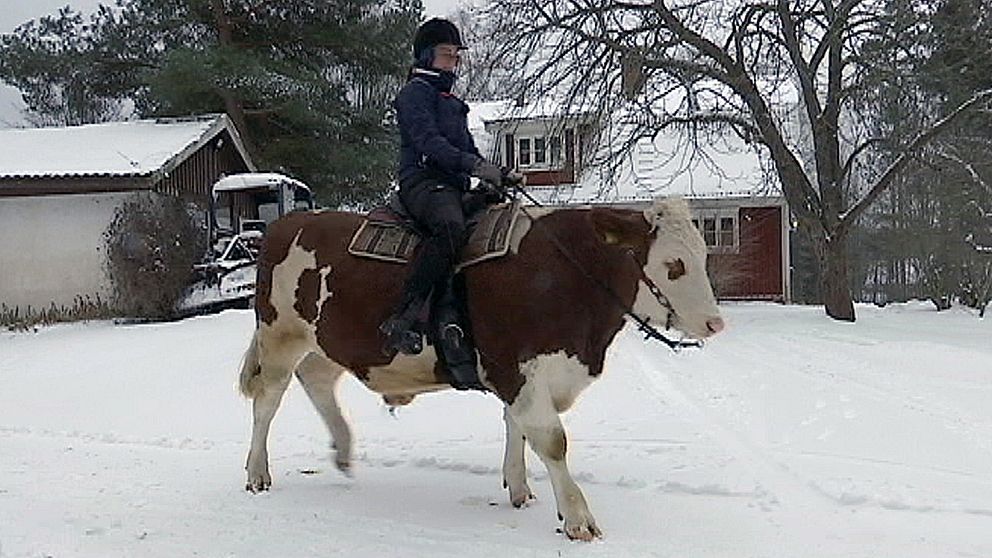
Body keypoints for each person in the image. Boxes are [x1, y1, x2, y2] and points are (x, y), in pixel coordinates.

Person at [379, 17, 506, 390]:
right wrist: (474, 167)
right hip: (421, 182)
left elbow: (465, 150)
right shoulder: (414, 94)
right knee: (450, 228)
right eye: (447, 55)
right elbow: (430, 145)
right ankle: (404, 317)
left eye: (455, 56)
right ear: (426, 56)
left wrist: (497, 173)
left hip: (452, 185)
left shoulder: (453, 103)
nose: (453, 62)